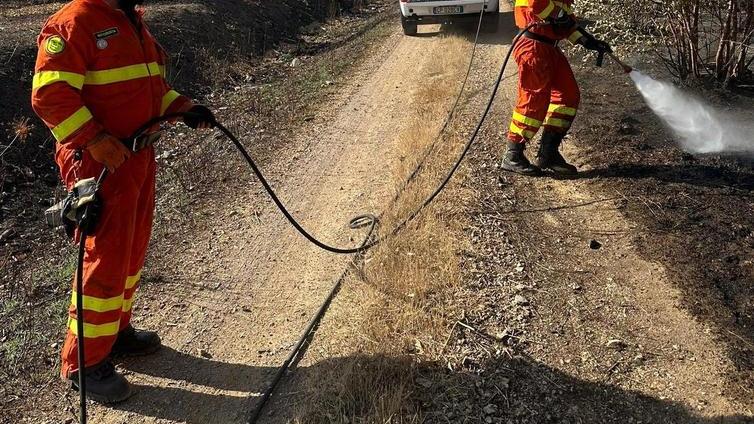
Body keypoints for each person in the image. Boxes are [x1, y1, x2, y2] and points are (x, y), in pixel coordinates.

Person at [31, 0, 215, 403]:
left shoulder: (133, 23)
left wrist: (183, 108)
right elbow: (49, 96)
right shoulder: (76, 21)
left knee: (130, 253)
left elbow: (150, 91)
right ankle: (83, 362)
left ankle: (115, 331)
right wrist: (95, 140)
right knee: (106, 257)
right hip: (99, 163)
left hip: (136, 158)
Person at [501, 0, 611, 176]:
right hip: (533, 45)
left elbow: (563, 22)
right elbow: (537, 4)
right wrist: (560, 16)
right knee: (533, 100)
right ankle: (513, 155)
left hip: (550, 47)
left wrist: (587, 40)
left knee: (568, 95)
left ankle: (548, 154)